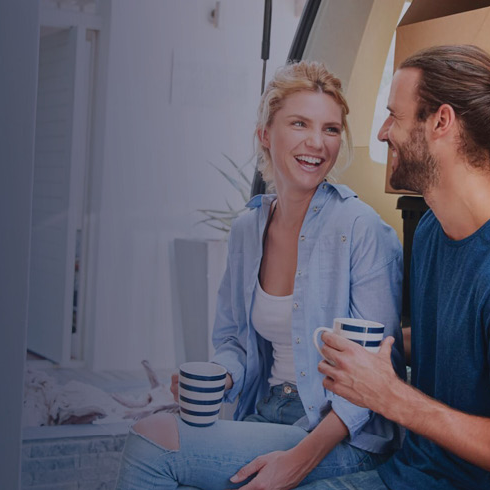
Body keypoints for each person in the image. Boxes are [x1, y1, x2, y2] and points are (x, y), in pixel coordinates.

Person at [300, 45, 490, 490]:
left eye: (395, 115)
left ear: (441, 122)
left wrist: (394, 398)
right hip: (412, 471)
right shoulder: (433, 231)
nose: (382, 132)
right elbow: (459, 343)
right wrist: (367, 353)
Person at [114, 61, 405, 490]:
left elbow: (378, 373)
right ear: (266, 135)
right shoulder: (247, 229)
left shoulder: (361, 229)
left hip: (338, 435)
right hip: (266, 411)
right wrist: (219, 378)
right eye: (300, 123)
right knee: (162, 434)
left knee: (151, 446)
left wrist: (297, 462)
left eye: (330, 129)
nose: (316, 143)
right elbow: (232, 340)